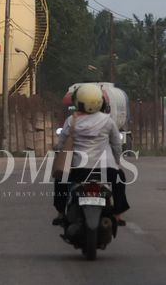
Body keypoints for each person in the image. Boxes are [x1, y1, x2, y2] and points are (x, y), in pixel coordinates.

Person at [51, 84, 130, 226]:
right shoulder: (108, 121)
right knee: (120, 178)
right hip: (106, 170)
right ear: (100, 102)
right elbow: (116, 145)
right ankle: (118, 215)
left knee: (60, 180)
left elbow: (62, 143)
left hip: (77, 171)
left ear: (78, 102)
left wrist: (59, 151)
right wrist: (116, 162)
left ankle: (61, 213)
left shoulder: (71, 121)